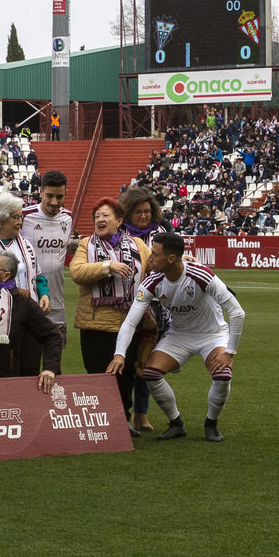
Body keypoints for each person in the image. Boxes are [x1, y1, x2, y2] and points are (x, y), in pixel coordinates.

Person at [107, 232, 244, 443]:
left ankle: (211, 424)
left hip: (213, 335)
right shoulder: (153, 281)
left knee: (222, 375)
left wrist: (230, 352)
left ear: (171, 258)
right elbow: (130, 322)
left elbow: (237, 312)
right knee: (150, 373)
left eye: (154, 253)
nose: (149, 258)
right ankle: (176, 423)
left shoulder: (201, 274)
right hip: (179, 335)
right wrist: (119, 354)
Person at [70, 197, 152, 437]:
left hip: (129, 322)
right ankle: (101, 420)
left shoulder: (137, 244)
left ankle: (121, 420)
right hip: (95, 324)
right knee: (98, 374)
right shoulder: (86, 244)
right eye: (96, 216)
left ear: (119, 221)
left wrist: (183, 260)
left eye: (105, 216)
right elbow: (77, 272)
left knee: (125, 376)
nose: (100, 220)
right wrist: (108, 266)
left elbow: (154, 267)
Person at [0, 251, 62, 390]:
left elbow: (53, 335)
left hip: (8, 380)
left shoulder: (22, 300)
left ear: (6, 276)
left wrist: (50, 368)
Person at [119, 185, 168, 432]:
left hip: (155, 304)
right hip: (126, 303)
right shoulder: (118, 233)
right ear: (127, 213)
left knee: (146, 362)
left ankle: (141, 413)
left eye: (148, 211)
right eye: (138, 211)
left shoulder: (160, 232)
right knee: (126, 363)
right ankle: (123, 414)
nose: (144, 216)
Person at [21, 170, 76, 350]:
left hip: (57, 300)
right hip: (29, 297)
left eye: (59, 196)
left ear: (66, 193)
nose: (54, 202)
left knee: (55, 354)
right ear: (41, 191)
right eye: (50, 195)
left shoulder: (67, 218)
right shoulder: (24, 215)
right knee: (29, 356)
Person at [0, 193, 49, 310]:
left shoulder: (27, 245)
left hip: (29, 311)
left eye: (20, 217)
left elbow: (38, 277)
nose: (20, 222)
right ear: (0, 219)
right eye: (15, 217)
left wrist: (45, 295)